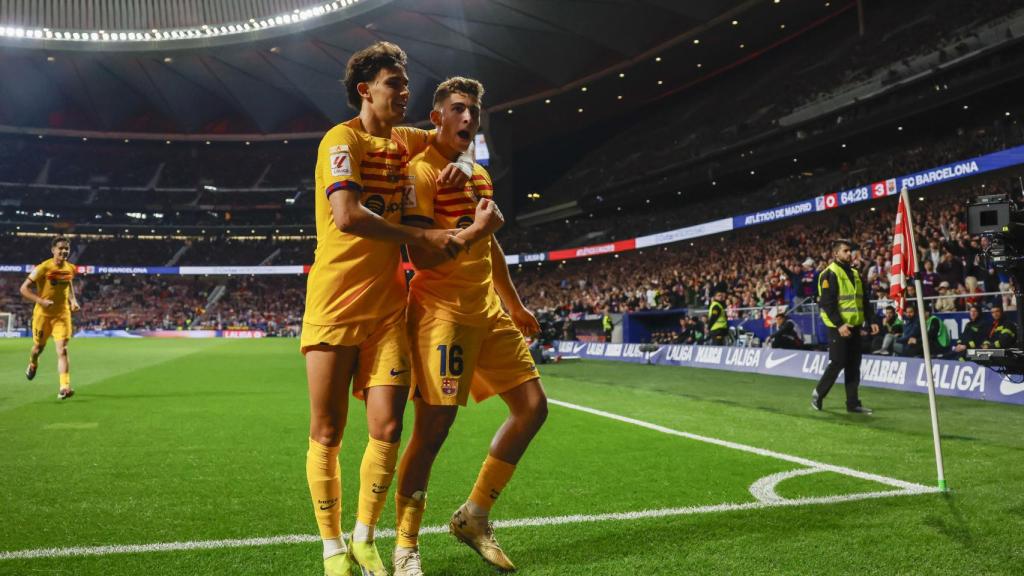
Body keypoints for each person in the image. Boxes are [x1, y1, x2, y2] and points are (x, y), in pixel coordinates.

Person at [300, 41, 477, 576]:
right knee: (327, 431)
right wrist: (414, 237)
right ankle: (331, 547)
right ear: (365, 90)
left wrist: (463, 166)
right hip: (334, 303)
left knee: (387, 429)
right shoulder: (341, 140)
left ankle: (364, 537)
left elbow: (455, 134)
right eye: (394, 84)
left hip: (387, 311)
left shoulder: (406, 139)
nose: (405, 92)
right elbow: (348, 215)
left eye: (405, 83)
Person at [394, 76, 547, 575]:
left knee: (532, 409)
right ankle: (405, 545)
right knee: (433, 429)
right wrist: (475, 227)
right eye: (457, 109)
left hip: (488, 310)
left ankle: (474, 516)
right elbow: (418, 252)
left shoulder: (478, 174)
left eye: (474, 112)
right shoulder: (418, 173)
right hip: (441, 314)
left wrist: (515, 304)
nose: (467, 118)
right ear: (436, 116)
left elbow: (490, 246)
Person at [811, 239, 879, 414]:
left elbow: (864, 300)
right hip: (837, 327)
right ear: (836, 254)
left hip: (854, 326)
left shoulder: (856, 274)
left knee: (853, 365)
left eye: (850, 251)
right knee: (838, 362)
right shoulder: (829, 274)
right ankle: (818, 393)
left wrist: (871, 320)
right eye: (846, 251)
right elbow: (827, 303)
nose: (850, 253)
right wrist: (840, 324)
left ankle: (853, 403)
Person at [20, 236, 80, 400]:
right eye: (60, 248)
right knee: (38, 348)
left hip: (62, 314)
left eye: (66, 248)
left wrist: (73, 300)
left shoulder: (70, 268)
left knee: (63, 350)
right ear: (53, 250)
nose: (64, 251)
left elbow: (68, 283)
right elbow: (23, 289)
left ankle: (64, 387)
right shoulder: (43, 267)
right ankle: (33, 362)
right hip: (43, 315)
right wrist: (41, 301)